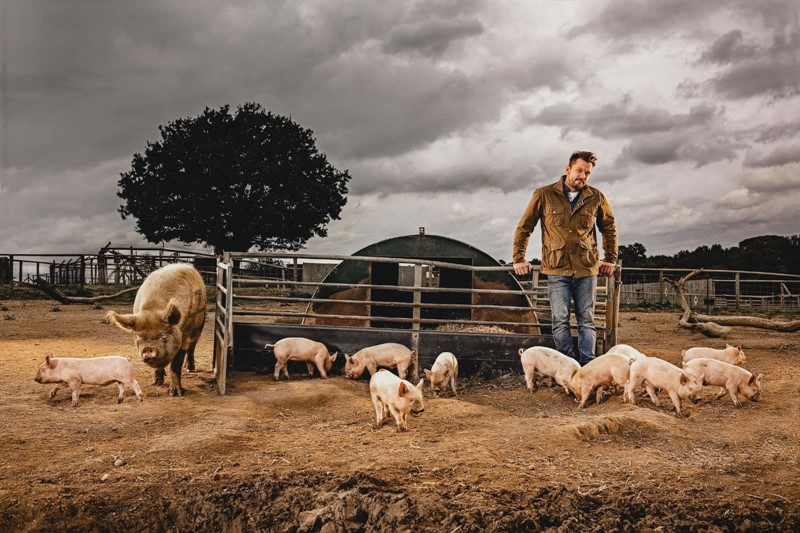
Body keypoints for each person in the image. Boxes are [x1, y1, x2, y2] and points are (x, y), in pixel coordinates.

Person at [512, 151, 617, 365]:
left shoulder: (596, 197)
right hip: (556, 268)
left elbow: (609, 228)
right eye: (579, 171)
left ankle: (588, 365)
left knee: (586, 319)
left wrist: (610, 258)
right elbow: (525, 227)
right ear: (567, 169)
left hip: (586, 268)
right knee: (560, 319)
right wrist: (519, 258)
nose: (583, 176)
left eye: (587, 173)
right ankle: (568, 366)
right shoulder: (544, 194)